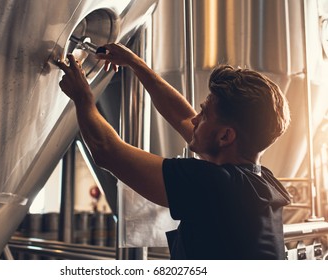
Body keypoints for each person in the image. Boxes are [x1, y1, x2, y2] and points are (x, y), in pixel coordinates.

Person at [57, 43, 291, 260]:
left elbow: (106, 151)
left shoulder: (215, 186)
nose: (195, 119)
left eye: (204, 114)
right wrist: (135, 64)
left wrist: (83, 97)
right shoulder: (258, 180)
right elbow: (182, 118)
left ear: (225, 136)